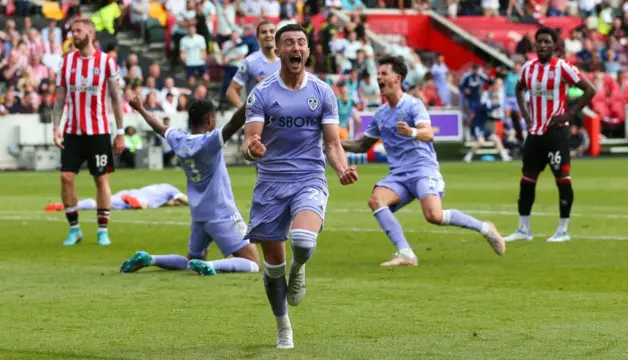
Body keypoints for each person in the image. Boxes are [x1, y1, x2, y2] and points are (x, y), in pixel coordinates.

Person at [242, 24, 358, 349]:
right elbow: (249, 140)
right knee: (273, 266)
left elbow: (333, 144)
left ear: (308, 52)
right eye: (289, 42)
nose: (296, 47)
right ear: (278, 52)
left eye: (302, 43)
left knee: (304, 241)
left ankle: (300, 267)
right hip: (270, 184)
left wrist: (342, 169)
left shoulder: (322, 92)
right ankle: (283, 327)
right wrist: (253, 147)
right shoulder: (262, 93)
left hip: (309, 178)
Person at [342, 55, 506, 267]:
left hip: (422, 169)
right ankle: (406, 253)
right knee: (376, 201)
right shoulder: (381, 114)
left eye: (384, 74)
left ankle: (485, 228)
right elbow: (363, 145)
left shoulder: (413, 105)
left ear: (397, 78)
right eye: (378, 74)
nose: (378, 78)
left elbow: (428, 134)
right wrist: (335, 143)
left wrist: (411, 132)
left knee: (434, 216)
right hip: (399, 175)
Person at [120, 97, 261, 276]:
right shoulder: (208, 142)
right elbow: (234, 123)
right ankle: (212, 265)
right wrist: (254, 99)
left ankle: (151, 259)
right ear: (210, 119)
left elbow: (159, 127)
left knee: (191, 261)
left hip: (198, 215)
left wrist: (140, 109)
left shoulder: (179, 140)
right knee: (254, 263)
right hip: (221, 213)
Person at [504, 27, 595, 243]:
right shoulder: (528, 68)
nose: (543, 45)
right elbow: (519, 89)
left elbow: (589, 90)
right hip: (535, 134)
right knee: (527, 181)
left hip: (555, 133)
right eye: (539, 42)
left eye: (547, 42)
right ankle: (523, 229)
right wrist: (525, 114)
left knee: (562, 180)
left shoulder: (562, 67)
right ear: (534, 45)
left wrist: (569, 114)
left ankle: (563, 230)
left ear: (554, 46)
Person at [52, 18, 125, 247]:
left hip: (99, 131)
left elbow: (116, 98)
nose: (74, 34)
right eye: (72, 31)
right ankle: (74, 229)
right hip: (72, 131)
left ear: (90, 33)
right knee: (66, 177)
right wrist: (56, 127)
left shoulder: (106, 63)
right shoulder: (65, 63)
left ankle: (102, 230)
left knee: (101, 178)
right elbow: (60, 99)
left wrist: (120, 131)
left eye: (78, 30)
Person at [226, 21, 280, 107]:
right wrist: (243, 109)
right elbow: (231, 90)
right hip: (259, 117)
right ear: (257, 37)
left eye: (272, 31)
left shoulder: (286, 60)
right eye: (264, 32)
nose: (268, 35)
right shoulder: (250, 61)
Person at [463, 78, 512, 162]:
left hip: (485, 123)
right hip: (478, 124)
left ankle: (504, 156)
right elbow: (485, 107)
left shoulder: (499, 94)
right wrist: (496, 105)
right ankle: (468, 155)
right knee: (481, 141)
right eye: (497, 84)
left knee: (496, 139)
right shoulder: (486, 95)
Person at [44, 183, 188, 211]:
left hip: (131, 191)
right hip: (139, 199)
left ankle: (67, 205)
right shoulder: (172, 190)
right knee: (99, 204)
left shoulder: (161, 187)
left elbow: (168, 202)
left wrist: (173, 204)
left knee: (102, 202)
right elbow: (184, 199)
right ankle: (64, 207)